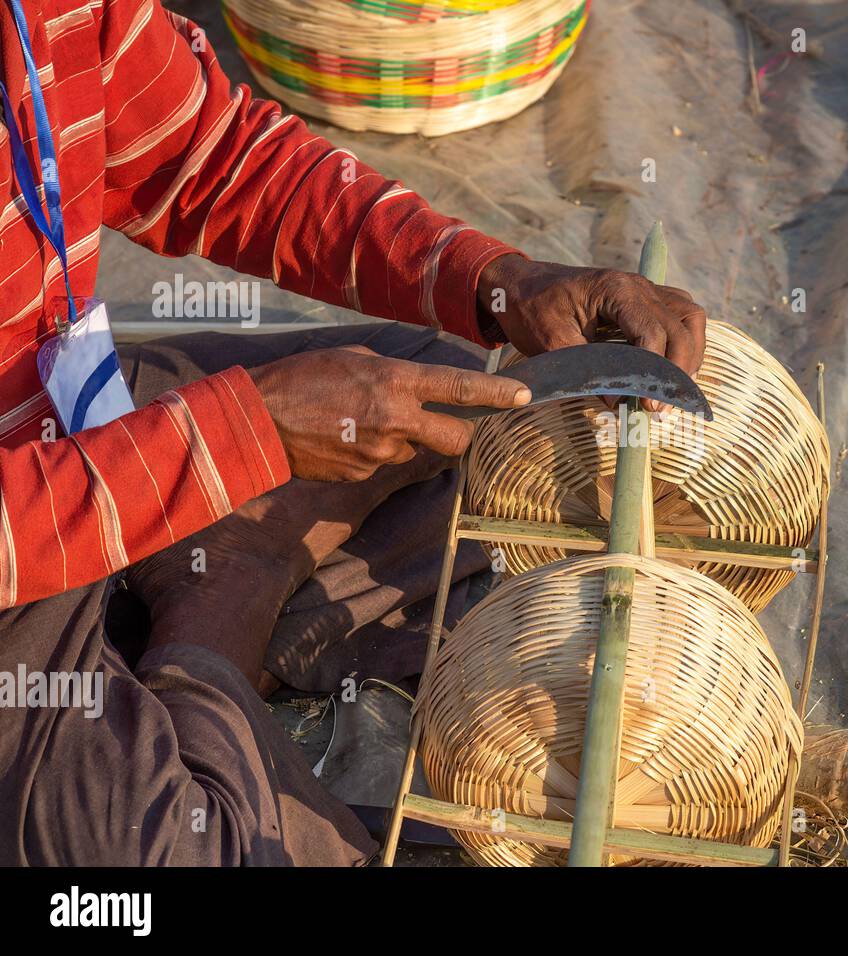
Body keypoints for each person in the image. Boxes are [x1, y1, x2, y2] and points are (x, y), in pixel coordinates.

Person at [0, 0, 704, 865]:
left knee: (461, 407)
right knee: (157, 855)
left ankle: (184, 625)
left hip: (61, 418)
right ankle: (219, 609)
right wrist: (241, 436)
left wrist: (494, 282)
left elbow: (210, 156)